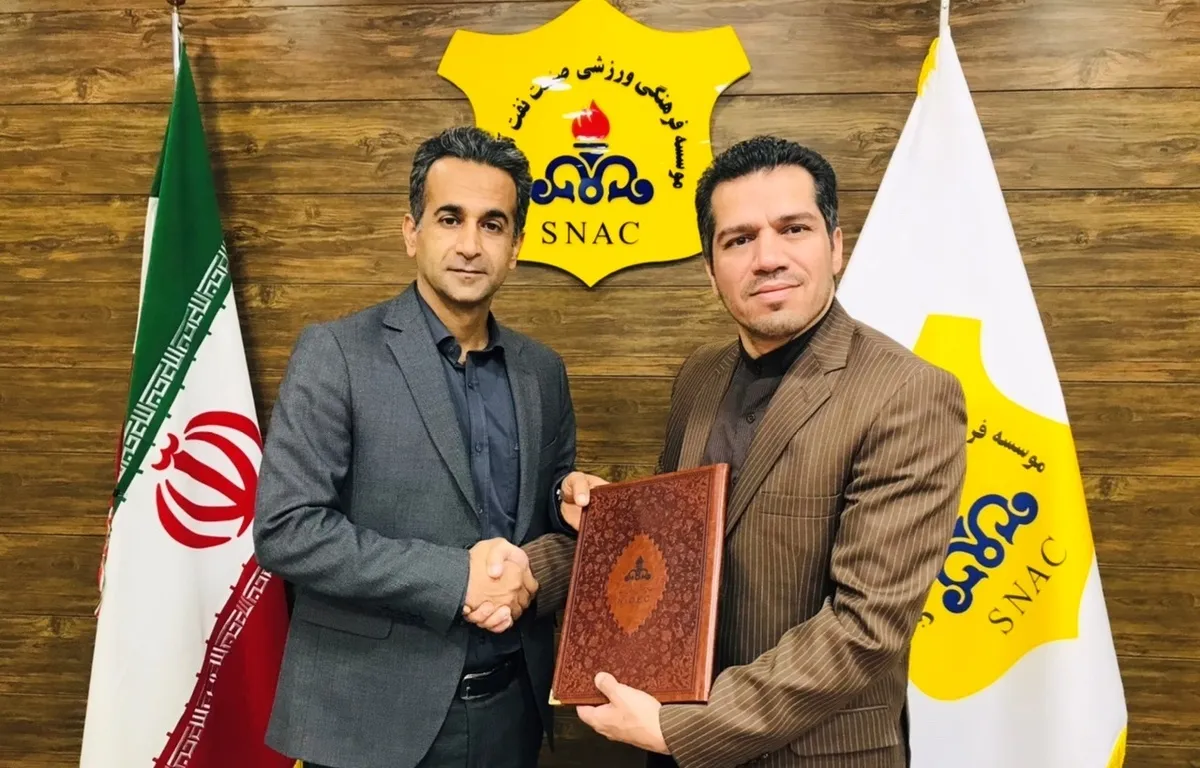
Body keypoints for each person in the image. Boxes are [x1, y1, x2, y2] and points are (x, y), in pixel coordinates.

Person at [563, 136, 968, 767]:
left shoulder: (909, 393)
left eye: (794, 229)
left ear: (836, 246)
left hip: (813, 754)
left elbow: (866, 627)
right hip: (667, 737)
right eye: (739, 239)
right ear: (711, 268)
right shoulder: (699, 377)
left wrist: (685, 727)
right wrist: (589, 528)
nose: (768, 258)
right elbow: (673, 546)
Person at [253, 125, 605, 768]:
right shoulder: (336, 354)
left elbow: (553, 525)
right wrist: (455, 578)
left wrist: (567, 505)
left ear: (516, 247)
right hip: (367, 722)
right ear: (411, 232)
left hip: (512, 713)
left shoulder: (542, 371)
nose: (470, 244)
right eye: (450, 218)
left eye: (493, 224)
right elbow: (287, 530)